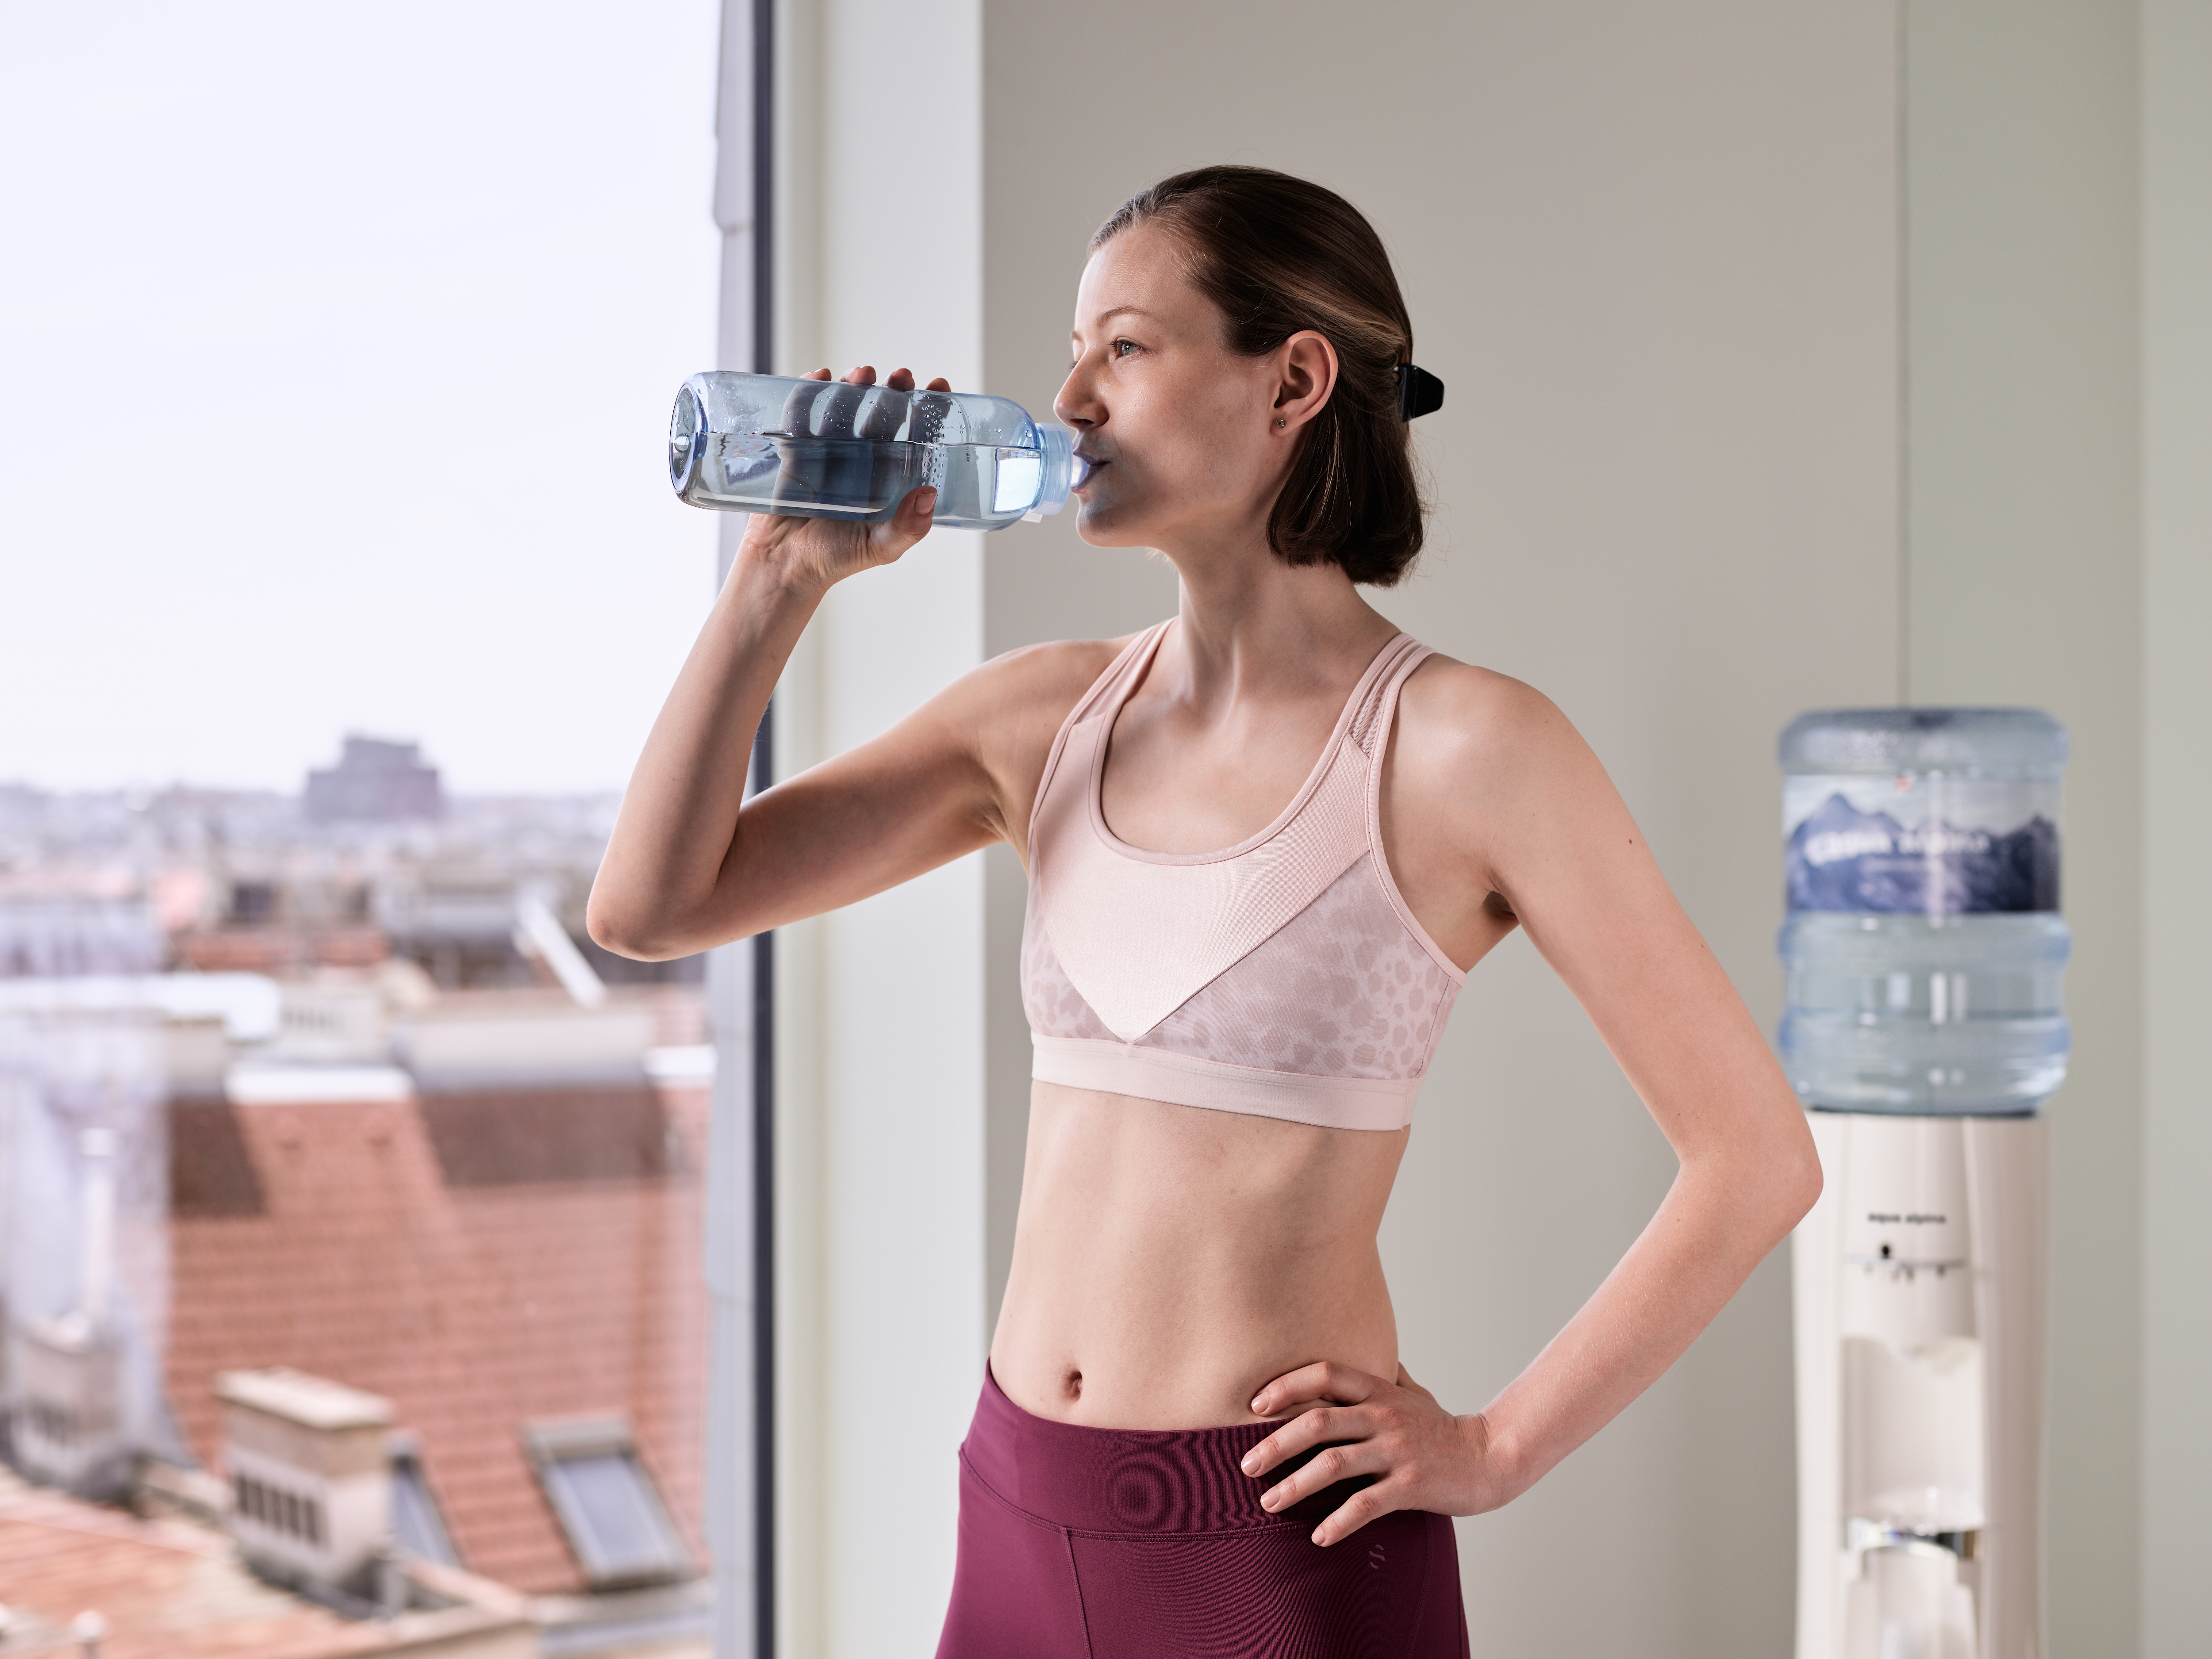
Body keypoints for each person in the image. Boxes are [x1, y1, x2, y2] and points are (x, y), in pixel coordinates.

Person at [590, 165, 1821, 1658]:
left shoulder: (1468, 749)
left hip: (1280, 1559)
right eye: (1075, 350)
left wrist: (1494, 1449)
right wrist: (778, 582)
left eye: (1124, 345)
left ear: (1295, 378)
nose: (1067, 397)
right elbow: (652, 904)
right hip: (1016, 1515)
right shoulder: (1042, 717)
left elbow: (1754, 1156)